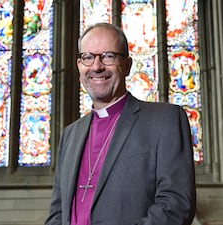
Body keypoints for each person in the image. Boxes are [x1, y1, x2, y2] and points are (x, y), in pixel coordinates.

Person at [45, 22, 196, 225]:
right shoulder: (70, 135)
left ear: (127, 65)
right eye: (88, 57)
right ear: (79, 65)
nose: (97, 67)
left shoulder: (164, 120)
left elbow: (176, 205)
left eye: (108, 56)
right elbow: (57, 213)